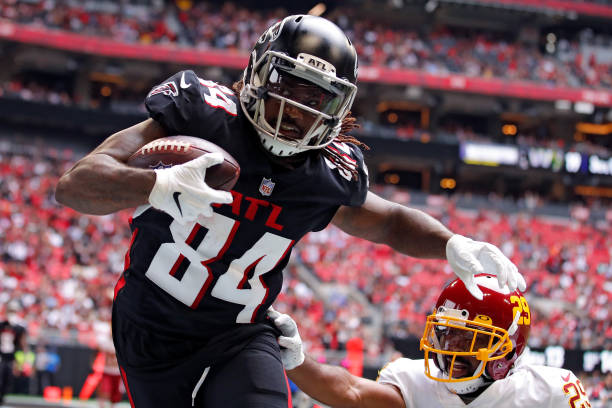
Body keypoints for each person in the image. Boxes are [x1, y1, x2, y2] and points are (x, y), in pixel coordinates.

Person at [55, 14, 525, 408]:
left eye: (317, 97)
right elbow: (74, 186)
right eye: (291, 85)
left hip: (239, 333)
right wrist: (155, 184)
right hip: (149, 327)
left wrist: (450, 243)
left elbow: (387, 220)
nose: (298, 108)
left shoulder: (326, 172)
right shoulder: (206, 116)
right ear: (260, 72)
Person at [268, 274, 592, 407]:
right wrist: (298, 360)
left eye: (466, 338)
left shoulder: (550, 391)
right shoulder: (416, 381)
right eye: (446, 332)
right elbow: (351, 392)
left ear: (506, 350)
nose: (449, 347)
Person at [0, 317, 26, 405]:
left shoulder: (16, 331)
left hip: (10, 358)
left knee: (7, 379)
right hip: (1, 357)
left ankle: (2, 396)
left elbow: (22, 333)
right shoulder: (2, 328)